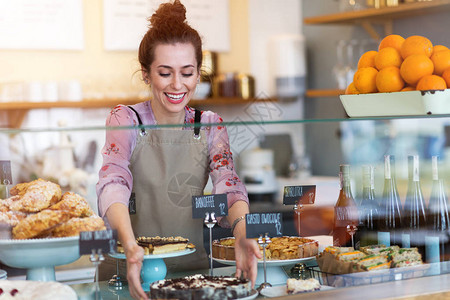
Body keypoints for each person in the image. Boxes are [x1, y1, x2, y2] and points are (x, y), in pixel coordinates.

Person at [96, 1, 261, 299]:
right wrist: (131, 247)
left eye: (187, 73)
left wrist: (243, 232)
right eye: (164, 73)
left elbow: (229, 186)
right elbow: (113, 182)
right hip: (131, 269)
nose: (177, 85)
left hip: (191, 272)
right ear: (146, 74)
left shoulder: (209, 124)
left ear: (199, 74)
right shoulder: (125, 119)